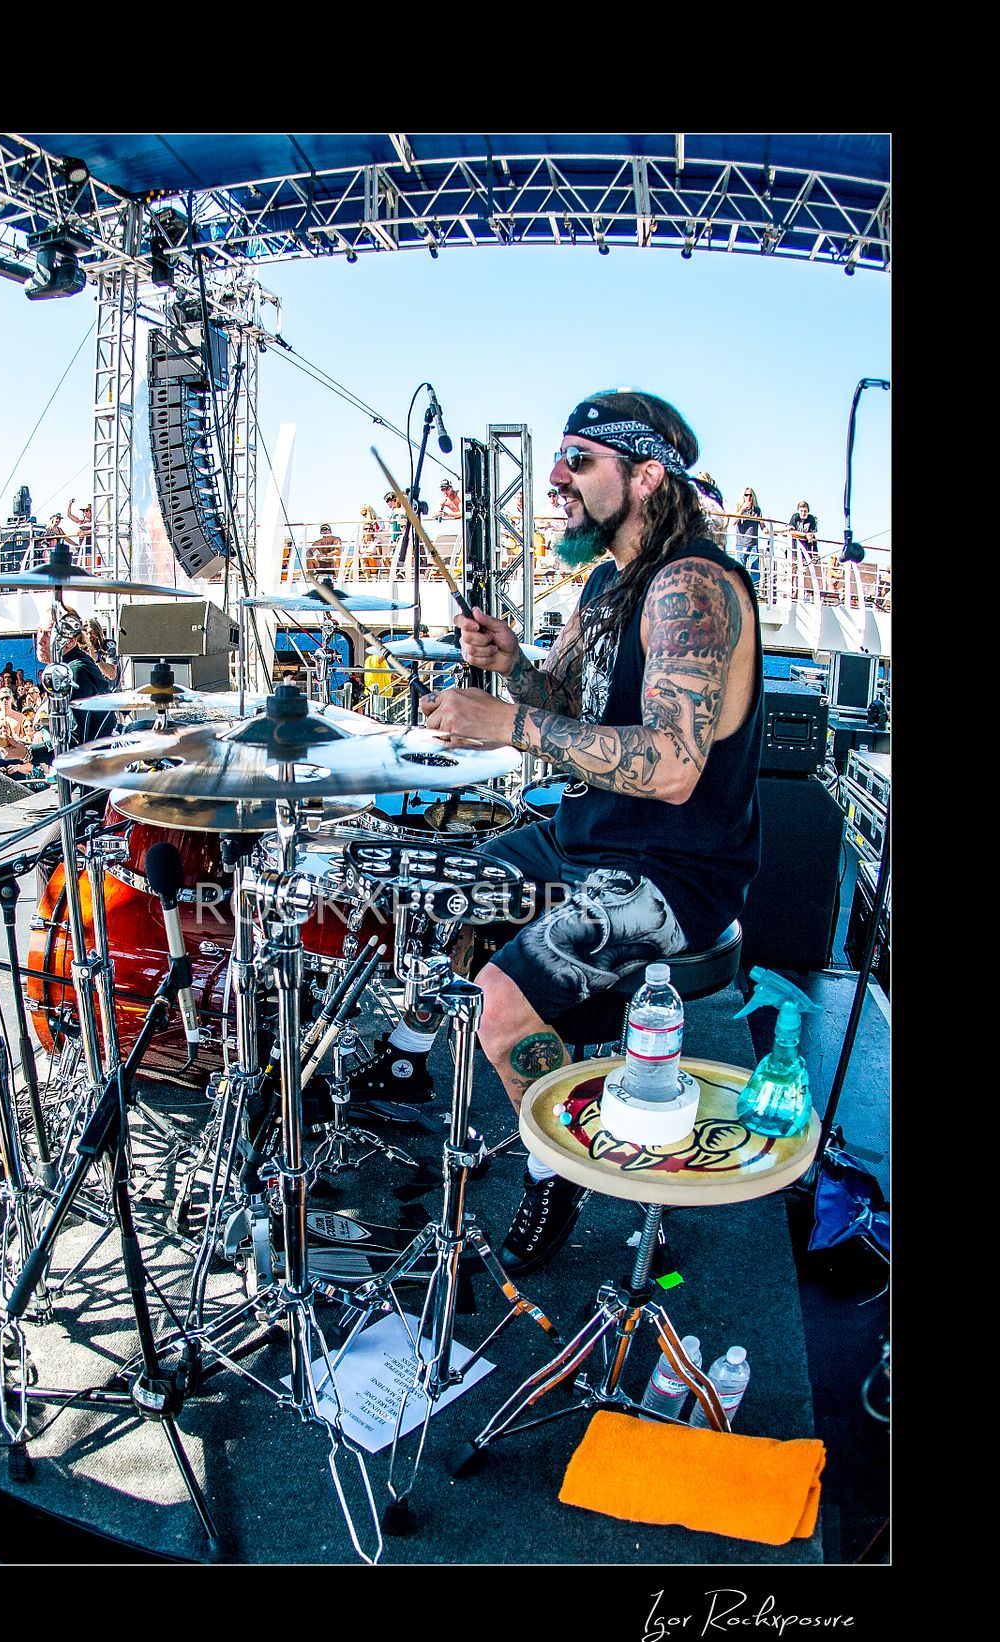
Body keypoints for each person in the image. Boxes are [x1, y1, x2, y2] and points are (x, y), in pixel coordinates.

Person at [348, 389, 764, 1277]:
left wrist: (507, 723)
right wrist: (515, 669)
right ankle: (408, 1057)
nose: (557, 479)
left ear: (644, 477)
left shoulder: (691, 585)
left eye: (579, 460)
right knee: (439, 895)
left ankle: (556, 1170)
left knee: (498, 1008)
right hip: (587, 835)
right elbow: (575, 708)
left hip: (675, 869)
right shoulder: (607, 583)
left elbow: (672, 765)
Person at [32, 607, 116, 744]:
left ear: (70, 641)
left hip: (91, 756)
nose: (40, 640)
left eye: (49, 634)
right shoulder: (60, 669)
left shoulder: (75, 671)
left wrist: (29, 752)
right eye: (39, 631)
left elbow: (76, 740)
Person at [733, 486, 763, 589]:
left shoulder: (757, 510)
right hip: (741, 543)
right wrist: (743, 509)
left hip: (753, 543)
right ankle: (741, 589)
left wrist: (769, 530)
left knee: (754, 567)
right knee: (741, 567)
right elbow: (733, 521)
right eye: (746, 495)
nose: (748, 497)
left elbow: (762, 525)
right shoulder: (738, 507)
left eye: (750, 495)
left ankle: (755, 590)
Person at [789, 500, 820, 594]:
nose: (803, 513)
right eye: (801, 511)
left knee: (803, 572)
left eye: (805, 511)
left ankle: (801, 592)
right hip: (794, 549)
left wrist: (814, 552)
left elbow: (812, 533)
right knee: (793, 570)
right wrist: (804, 535)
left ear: (808, 511)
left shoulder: (811, 519)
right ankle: (792, 590)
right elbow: (791, 531)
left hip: (806, 551)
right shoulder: (795, 517)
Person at [67, 498, 93, 564]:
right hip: (81, 543)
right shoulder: (80, 521)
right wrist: (70, 504)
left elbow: (95, 530)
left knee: (88, 560)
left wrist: (85, 533)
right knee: (80, 560)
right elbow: (69, 515)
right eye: (83, 511)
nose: (84, 512)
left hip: (89, 544)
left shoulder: (93, 522)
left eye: (86, 510)